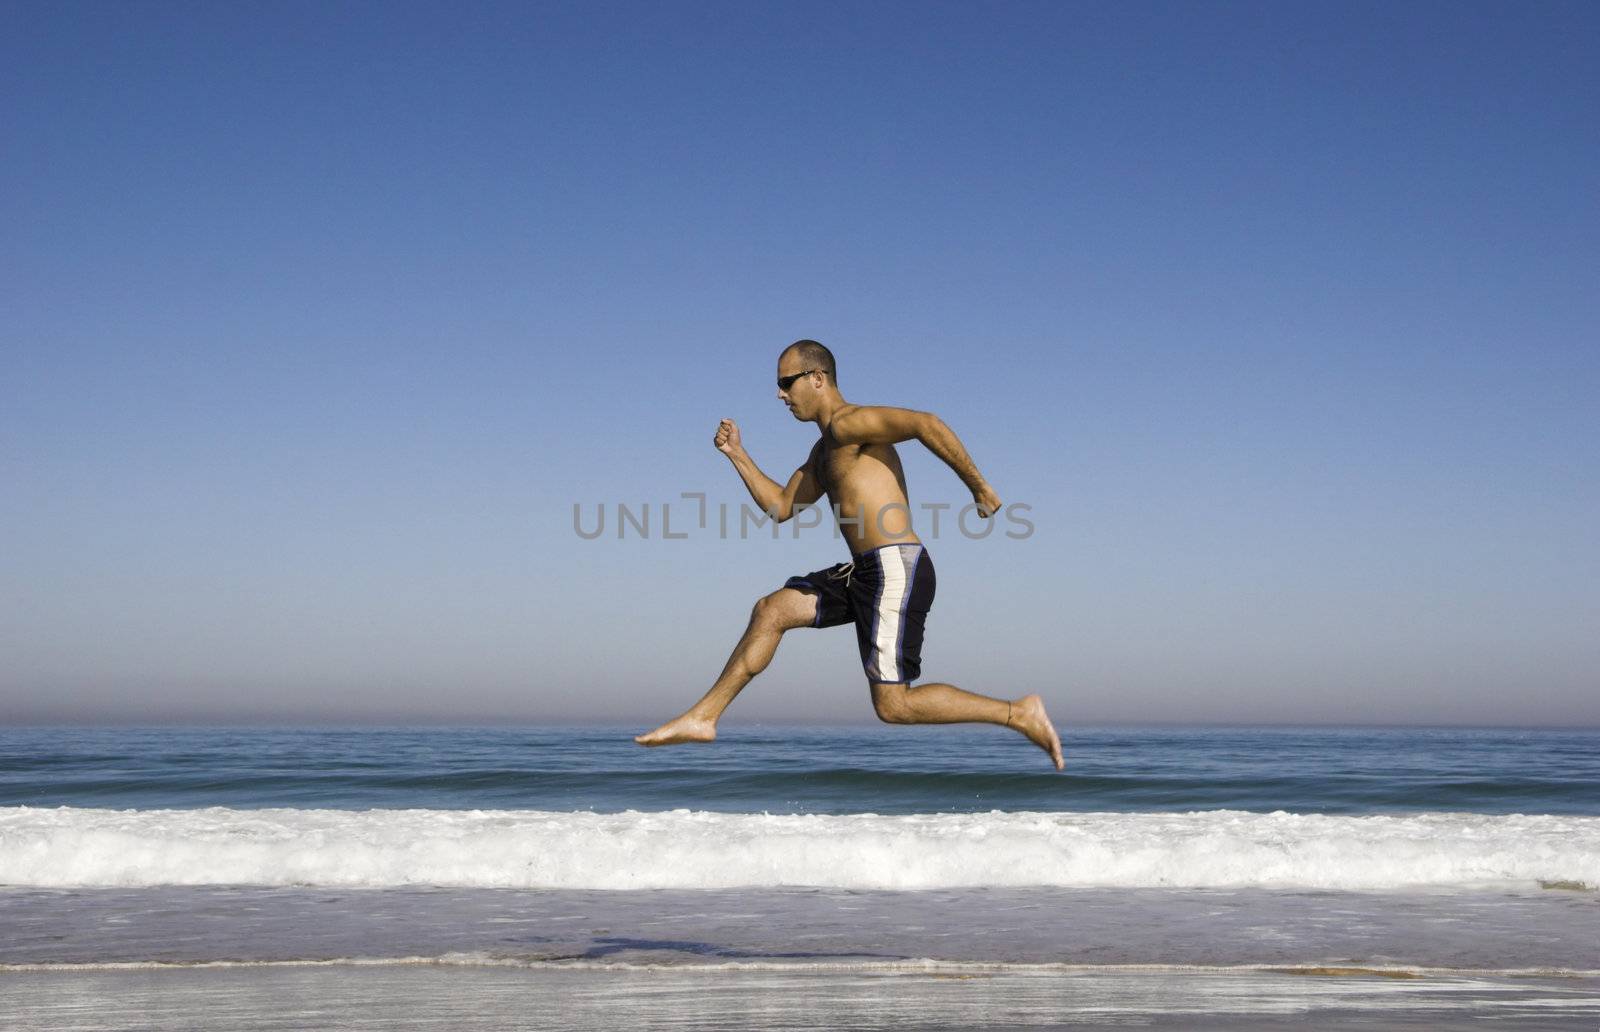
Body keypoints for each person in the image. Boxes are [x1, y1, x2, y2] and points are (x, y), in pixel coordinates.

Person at [635, 340, 1063, 770]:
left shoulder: (850, 424)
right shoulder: (823, 452)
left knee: (894, 705)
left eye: (786, 383)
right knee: (772, 610)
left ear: (817, 379)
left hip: (895, 566)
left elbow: (925, 424)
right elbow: (782, 507)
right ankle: (704, 717)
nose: (780, 395)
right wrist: (737, 455)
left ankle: (1018, 713)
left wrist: (979, 487)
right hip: (862, 571)